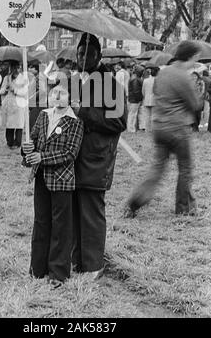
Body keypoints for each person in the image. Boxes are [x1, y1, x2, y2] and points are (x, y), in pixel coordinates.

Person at [125, 40, 201, 217]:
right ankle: (185, 209)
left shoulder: (163, 74)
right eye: (195, 58)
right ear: (189, 57)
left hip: (159, 127)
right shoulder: (183, 76)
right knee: (185, 168)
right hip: (178, 128)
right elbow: (195, 104)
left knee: (157, 169)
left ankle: (135, 201)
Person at [72, 33, 126, 278]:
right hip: (73, 156)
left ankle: (93, 266)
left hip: (96, 158)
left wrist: (83, 111)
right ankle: (77, 260)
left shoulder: (112, 84)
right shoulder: (75, 81)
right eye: (80, 53)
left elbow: (118, 122)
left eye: (89, 53)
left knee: (91, 211)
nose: (84, 57)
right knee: (74, 210)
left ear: (99, 55)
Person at [22, 84, 84, 288]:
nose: (57, 96)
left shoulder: (75, 122)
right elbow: (34, 140)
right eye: (54, 92)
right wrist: (27, 150)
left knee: (61, 227)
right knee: (41, 223)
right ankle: (37, 269)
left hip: (62, 181)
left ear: (70, 98)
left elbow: (70, 154)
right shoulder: (43, 116)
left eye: (62, 93)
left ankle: (58, 273)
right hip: (41, 178)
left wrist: (42, 156)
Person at [0, 62, 27, 148]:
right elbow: (1, 91)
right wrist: (5, 89)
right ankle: (10, 141)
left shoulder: (24, 79)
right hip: (9, 103)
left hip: (19, 104)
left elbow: (24, 92)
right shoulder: (6, 78)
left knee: (19, 124)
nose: (16, 70)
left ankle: (17, 142)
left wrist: (14, 90)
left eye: (18, 68)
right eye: (13, 67)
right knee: (9, 124)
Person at [127, 65, 144, 132]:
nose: (142, 72)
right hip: (135, 99)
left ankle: (140, 127)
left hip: (135, 99)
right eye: (141, 71)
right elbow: (136, 91)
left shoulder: (135, 78)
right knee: (132, 114)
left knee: (136, 113)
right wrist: (139, 99)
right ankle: (131, 129)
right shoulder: (135, 79)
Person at [142, 66, 159, 132]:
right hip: (155, 100)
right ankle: (153, 129)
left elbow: (143, 91)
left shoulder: (145, 80)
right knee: (154, 116)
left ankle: (147, 129)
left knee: (147, 116)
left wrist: (145, 96)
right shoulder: (158, 80)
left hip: (146, 99)